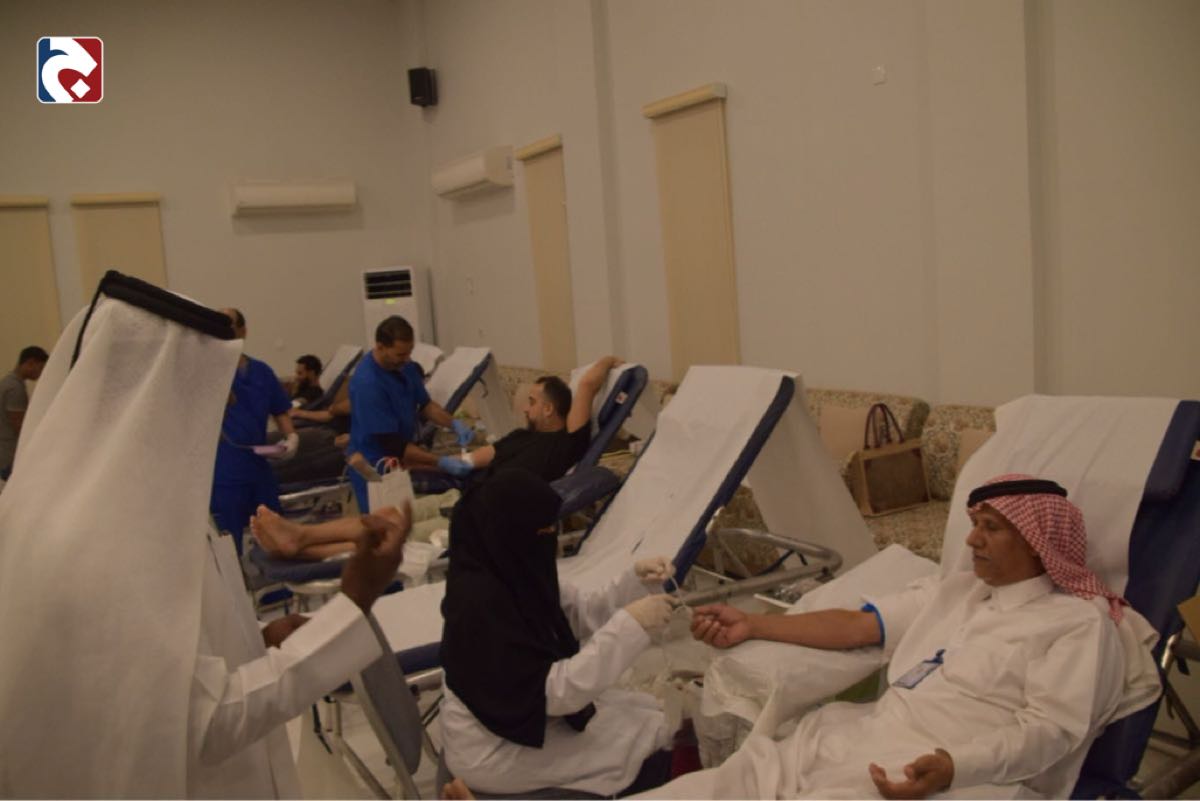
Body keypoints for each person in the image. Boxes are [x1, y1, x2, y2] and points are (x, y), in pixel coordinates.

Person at [0, 272, 409, 797]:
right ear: (152, 397)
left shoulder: (124, 504)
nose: (226, 408)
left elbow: (161, 664)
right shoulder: (99, 543)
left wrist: (252, 640)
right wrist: (352, 602)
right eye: (211, 393)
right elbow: (207, 724)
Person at [642, 474, 1160, 799]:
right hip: (853, 737)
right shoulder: (957, 592)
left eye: (992, 527)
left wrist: (956, 767)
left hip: (948, 773)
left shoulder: (1075, 623)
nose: (972, 539)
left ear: (1037, 542)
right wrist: (754, 624)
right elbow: (855, 626)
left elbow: (1051, 732)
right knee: (713, 788)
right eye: (974, 523)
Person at [440, 468, 679, 797]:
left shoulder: (511, 568)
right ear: (509, 531)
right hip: (492, 749)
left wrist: (635, 581)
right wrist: (632, 625)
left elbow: (577, 613)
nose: (550, 537)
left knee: (647, 712)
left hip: (516, 720)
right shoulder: (478, 609)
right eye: (544, 530)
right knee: (645, 740)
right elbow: (555, 693)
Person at [251, 355, 626, 561]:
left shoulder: (565, 443)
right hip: (461, 499)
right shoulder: (518, 437)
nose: (524, 407)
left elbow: (588, 384)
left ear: (549, 409)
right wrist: (431, 462)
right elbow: (468, 461)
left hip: (485, 521)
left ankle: (300, 542)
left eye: (531, 401)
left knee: (391, 536)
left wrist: (613, 363)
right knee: (386, 517)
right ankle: (298, 541)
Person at [346, 315, 472, 512]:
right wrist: (440, 461)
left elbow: (426, 405)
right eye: (400, 354)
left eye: (409, 352)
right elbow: (392, 443)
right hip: (374, 464)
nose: (406, 359)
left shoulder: (405, 367)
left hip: (398, 457)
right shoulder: (368, 384)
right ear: (380, 347)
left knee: (404, 519)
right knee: (383, 522)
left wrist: (455, 423)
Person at [209, 308, 300, 554]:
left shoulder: (261, 372)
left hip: (259, 466)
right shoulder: (209, 373)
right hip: (226, 471)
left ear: (243, 331)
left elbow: (280, 410)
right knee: (229, 545)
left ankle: (281, 578)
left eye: (228, 325)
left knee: (278, 536)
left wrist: (291, 437)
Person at [0, 345, 48, 480]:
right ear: (30, 363)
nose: (41, 373)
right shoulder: (15, 389)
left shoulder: (7, 382)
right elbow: (20, 426)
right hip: (10, 455)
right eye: (41, 368)